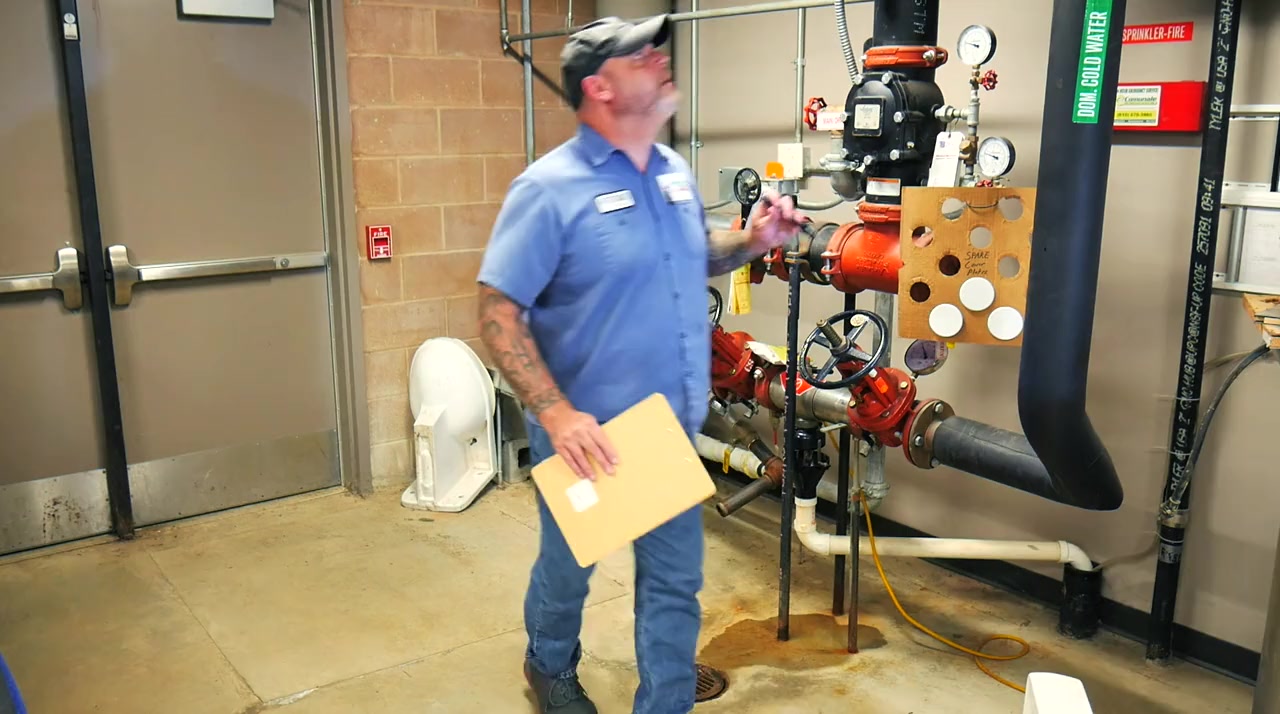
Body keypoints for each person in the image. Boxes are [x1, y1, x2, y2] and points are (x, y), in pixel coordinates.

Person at [476, 14, 804, 714]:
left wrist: (753, 239)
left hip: (665, 428)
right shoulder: (548, 189)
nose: (659, 58)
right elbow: (498, 311)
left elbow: (693, 249)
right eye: (639, 55)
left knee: (674, 584)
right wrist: (556, 414)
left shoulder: (672, 172)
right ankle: (548, 664)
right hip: (588, 436)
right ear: (599, 87)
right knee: (570, 572)